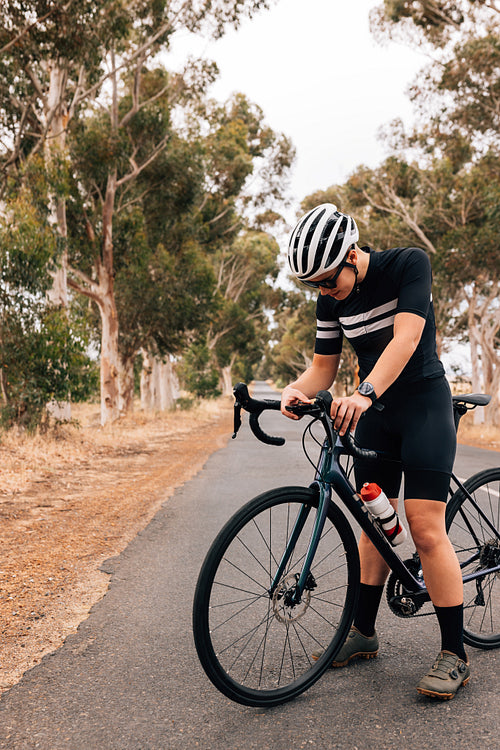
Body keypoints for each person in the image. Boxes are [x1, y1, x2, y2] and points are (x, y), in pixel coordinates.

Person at [281, 203, 469, 700]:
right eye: (315, 285)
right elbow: (323, 368)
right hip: (376, 414)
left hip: (422, 405)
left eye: (327, 280)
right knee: (371, 522)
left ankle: (455, 654)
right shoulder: (330, 300)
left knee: (426, 528)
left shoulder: (408, 264)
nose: (324, 292)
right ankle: (363, 632)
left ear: (351, 253)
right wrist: (295, 390)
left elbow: (407, 339)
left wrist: (363, 393)